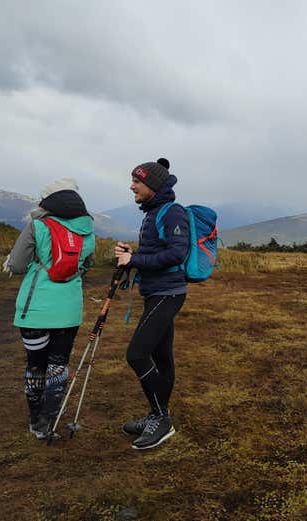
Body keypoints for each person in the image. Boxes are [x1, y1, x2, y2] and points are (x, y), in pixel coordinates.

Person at [4, 178, 96, 440]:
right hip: (68, 312)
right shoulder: (87, 230)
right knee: (58, 366)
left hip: (34, 311)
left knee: (36, 365)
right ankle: (50, 421)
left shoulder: (37, 225)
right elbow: (86, 266)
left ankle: (36, 424)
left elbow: (18, 265)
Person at [115, 158, 189, 450]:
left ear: (153, 186)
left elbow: (176, 253)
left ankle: (161, 419)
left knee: (136, 354)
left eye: (137, 181)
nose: (132, 186)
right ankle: (157, 415)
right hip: (156, 292)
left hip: (168, 293)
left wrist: (135, 260)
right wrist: (133, 253)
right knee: (162, 358)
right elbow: (156, 251)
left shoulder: (173, 213)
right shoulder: (153, 212)